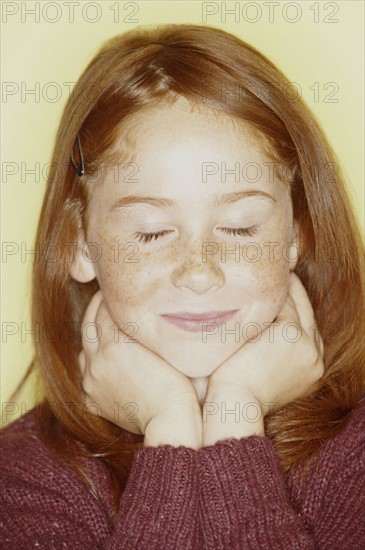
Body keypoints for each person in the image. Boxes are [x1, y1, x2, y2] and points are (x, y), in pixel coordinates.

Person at [1, 23, 364, 549]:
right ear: (78, 244)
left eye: (240, 226)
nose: (198, 271)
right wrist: (170, 430)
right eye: (151, 233)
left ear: (297, 235)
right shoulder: (22, 481)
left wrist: (234, 417)